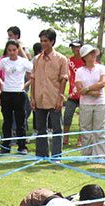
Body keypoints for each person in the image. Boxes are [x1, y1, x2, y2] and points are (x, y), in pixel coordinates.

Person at [30, 29, 68, 159]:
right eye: (41, 41)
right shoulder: (36, 60)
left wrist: (60, 97)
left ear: (52, 41)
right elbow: (33, 79)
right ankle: (41, 155)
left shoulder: (61, 59)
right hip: (39, 98)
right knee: (41, 129)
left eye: (45, 41)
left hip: (54, 98)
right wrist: (32, 97)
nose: (43, 43)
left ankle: (56, 156)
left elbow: (64, 79)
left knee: (57, 129)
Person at [0, 40, 32, 154]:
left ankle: (22, 146)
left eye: (14, 50)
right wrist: (1, 83)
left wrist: (25, 85)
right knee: (7, 121)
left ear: (18, 50)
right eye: (9, 50)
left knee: (20, 121)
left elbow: (33, 74)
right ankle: (6, 146)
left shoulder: (24, 62)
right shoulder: (3, 61)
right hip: (6, 93)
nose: (12, 52)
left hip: (19, 94)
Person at [74, 44, 105, 156]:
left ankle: (100, 155)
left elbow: (102, 83)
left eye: (94, 53)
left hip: (100, 103)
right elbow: (79, 89)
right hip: (85, 104)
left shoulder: (101, 68)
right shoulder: (79, 71)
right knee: (85, 130)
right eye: (90, 53)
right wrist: (92, 92)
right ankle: (86, 155)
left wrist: (87, 89)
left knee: (100, 129)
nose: (93, 55)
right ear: (84, 56)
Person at [63, 40, 83, 146]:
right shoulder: (69, 61)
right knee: (67, 117)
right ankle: (65, 138)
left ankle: (80, 140)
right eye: (73, 47)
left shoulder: (85, 61)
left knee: (83, 118)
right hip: (72, 95)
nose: (75, 49)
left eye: (77, 47)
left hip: (83, 95)